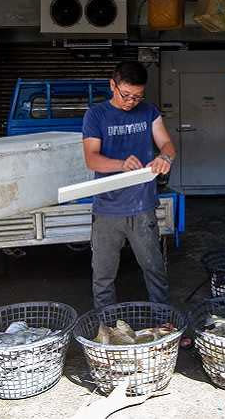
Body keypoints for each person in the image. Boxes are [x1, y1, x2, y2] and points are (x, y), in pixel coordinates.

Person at [82, 61, 177, 310]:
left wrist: (164, 157)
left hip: (142, 207)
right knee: (103, 276)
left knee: (154, 270)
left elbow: (167, 144)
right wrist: (120, 164)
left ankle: (164, 323)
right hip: (107, 209)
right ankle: (107, 329)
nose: (131, 102)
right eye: (126, 95)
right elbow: (91, 158)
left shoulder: (149, 112)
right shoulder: (96, 115)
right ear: (112, 85)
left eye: (137, 96)